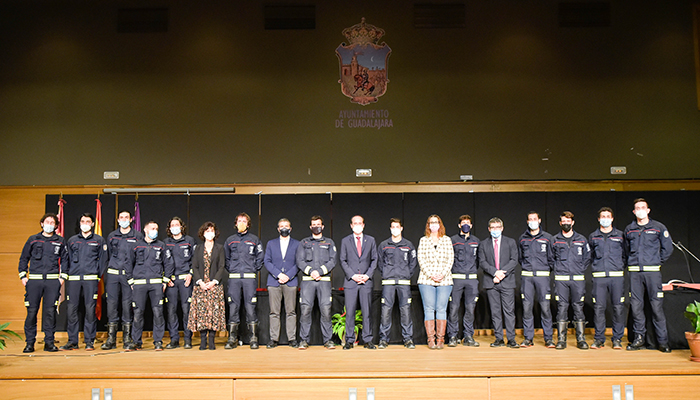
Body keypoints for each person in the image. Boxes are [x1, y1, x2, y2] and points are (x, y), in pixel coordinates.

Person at [624, 198, 673, 353]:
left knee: (656, 307)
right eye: (637, 208)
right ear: (634, 211)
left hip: (652, 273)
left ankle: (662, 341)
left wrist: (657, 262)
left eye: (643, 207)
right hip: (635, 273)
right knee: (636, 307)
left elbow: (667, 248)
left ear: (648, 210)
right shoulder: (629, 229)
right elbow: (626, 250)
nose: (640, 210)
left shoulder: (658, 227)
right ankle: (639, 339)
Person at [18, 213, 68, 353]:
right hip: (34, 281)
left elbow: (65, 260)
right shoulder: (33, 239)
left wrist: (62, 278)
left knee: (50, 313)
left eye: (52, 223)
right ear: (41, 223)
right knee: (31, 312)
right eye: (47, 222)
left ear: (56, 226)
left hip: (52, 281)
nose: (49, 225)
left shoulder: (60, 241)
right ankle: (29, 343)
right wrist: (23, 276)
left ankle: (49, 343)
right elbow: (24, 258)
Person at [60, 213, 108, 351]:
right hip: (74, 279)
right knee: (71, 310)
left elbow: (103, 260)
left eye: (88, 221)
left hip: (91, 279)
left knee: (90, 310)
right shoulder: (72, 240)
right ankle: (72, 341)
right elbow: (66, 259)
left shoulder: (99, 240)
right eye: (82, 221)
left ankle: (89, 341)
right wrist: (67, 273)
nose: (85, 223)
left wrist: (97, 276)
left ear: (92, 224)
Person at [125, 221, 174, 351]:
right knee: (138, 313)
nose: (155, 231)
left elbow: (169, 264)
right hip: (139, 284)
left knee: (158, 313)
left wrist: (165, 281)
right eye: (152, 228)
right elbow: (128, 263)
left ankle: (158, 341)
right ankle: (136, 341)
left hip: (156, 284)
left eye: (156, 228)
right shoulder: (136, 246)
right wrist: (130, 281)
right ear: (145, 230)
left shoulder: (161, 246)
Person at [103, 210, 143, 350]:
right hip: (113, 275)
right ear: (118, 220)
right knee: (111, 305)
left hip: (129, 276)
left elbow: (139, 256)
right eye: (121, 217)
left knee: (127, 306)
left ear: (131, 220)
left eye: (126, 217)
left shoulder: (137, 236)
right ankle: (111, 339)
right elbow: (107, 255)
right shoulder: (112, 236)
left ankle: (127, 338)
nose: (124, 219)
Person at [295, 215, 337, 350]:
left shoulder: (329, 242)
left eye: (318, 224)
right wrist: (311, 271)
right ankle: (304, 340)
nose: (316, 227)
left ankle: (328, 340)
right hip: (308, 281)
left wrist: (320, 271)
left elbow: (333, 260)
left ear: (323, 227)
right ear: (310, 227)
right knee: (305, 310)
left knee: (326, 310)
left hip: (324, 281)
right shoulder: (304, 243)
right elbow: (299, 260)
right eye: (313, 225)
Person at [224, 213, 264, 349]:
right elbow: (226, 259)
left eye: (244, 221)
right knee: (233, 307)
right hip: (234, 278)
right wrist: (232, 269)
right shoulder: (230, 240)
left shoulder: (254, 240)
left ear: (248, 224)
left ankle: (253, 338)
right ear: (235, 224)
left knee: (250, 307)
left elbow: (260, 257)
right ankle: (232, 338)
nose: (241, 223)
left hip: (249, 278)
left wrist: (253, 269)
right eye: (239, 221)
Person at [552, 211, 591, 350]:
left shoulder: (582, 239)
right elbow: (550, 258)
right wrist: (558, 269)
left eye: (568, 221)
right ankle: (561, 340)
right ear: (560, 223)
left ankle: (581, 339)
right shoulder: (554, 240)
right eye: (564, 221)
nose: (566, 224)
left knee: (578, 307)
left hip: (577, 279)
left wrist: (579, 269)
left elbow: (587, 257)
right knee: (562, 307)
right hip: (561, 279)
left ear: (573, 223)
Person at [589, 207, 627, 350]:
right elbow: (590, 256)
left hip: (616, 278)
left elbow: (626, 255)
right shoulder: (593, 236)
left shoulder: (620, 235)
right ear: (599, 219)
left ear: (612, 219)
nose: (605, 219)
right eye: (603, 216)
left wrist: (618, 266)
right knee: (599, 308)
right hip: (599, 278)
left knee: (618, 308)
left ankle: (617, 339)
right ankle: (599, 339)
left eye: (608, 216)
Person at [479, 217, 519, 349]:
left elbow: (514, 260)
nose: (495, 230)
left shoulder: (510, 242)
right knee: (495, 312)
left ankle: (511, 339)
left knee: (509, 311)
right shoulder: (483, 244)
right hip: (491, 282)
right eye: (493, 227)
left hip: (507, 281)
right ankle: (499, 338)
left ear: (502, 228)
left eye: (497, 227)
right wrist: (495, 272)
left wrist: (502, 274)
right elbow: (482, 262)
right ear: (489, 229)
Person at [377, 218, 417, 349]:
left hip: (404, 283)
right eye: (393, 227)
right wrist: (386, 274)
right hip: (388, 282)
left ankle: (408, 339)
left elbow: (413, 263)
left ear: (401, 228)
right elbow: (380, 263)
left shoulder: (408, 245)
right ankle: (383, 339)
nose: (395, 229)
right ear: (390, 229)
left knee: (405, 310)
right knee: (386, 310)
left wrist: (406, 274)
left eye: (397, 227)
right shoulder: (384, 245)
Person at [339, 215, 378, 349]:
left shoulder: (371, 240)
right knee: (350, 312)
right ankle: (349, 340)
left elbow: (374, 259)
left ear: (363, 225)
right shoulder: (345, 241)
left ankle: (367, 339)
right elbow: (342, 260)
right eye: (355, 223)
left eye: (359, 223)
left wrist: (367, 276)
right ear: (351, 226)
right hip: (351, 282)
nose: (357, 225)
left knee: (367, 312)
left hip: (366, 282)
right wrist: (352, 275)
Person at [517, 212, 555, 348]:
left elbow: (552, 258)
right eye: (530, 219)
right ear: (527, 222)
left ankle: (548, 338)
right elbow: (520, 258)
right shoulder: (522, 238)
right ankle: (528, 338)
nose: (533, 221)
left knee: (545, 308)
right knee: (527, 308)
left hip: (543, 277)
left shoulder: (548, 238)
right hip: (527, 277)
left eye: (535, 219)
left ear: (539, 220)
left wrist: (545, 270)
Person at [417, 214, 454, 350]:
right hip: (426, 279)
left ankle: (440, 339)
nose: (434, 224)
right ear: (428, 225)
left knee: (441, 309)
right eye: (431, 222)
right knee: (429, 309)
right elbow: (421, 259)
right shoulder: (423, 240)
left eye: (436, 222)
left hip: (445, 279)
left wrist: (442, 274)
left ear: (440, 224)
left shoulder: (447, 240)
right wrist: (431, 274)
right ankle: (431, 339)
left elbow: (450, 259)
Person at [188, 222, 227, 350]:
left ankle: (212, 340)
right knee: (202, 313)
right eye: (207, 231)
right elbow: (194, 266)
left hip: (214, 286)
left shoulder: (219, 248)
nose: (210, 233)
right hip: (201, 286)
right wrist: (200, 282)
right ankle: (203, 340)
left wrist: (214, 281)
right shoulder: (198, 248)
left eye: (212, 231)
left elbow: (221, 266)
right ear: (203, 233)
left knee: (213, 313)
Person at [263, 218, 300, 348]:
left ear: (290, 228)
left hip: (291, 281)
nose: (284, 228)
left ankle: (292, 339)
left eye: (286, 226)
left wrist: (288, 276)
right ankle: (273, 339)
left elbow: (299, 262)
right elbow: (267, 261)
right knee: (274, 312)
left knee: (291, 311)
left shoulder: (297, 244)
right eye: (282, 226)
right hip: (274, 281)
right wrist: (279, 274)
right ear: (278, 229)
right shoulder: (271, 243)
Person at [447, 215, 481, 347]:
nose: (465, 225)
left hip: (471, 280)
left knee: (470, 309)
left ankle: (468, 336)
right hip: (456, 279)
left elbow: (479, 260)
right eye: (463, 223)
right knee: (453, 308)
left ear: (471, 226)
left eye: (468, 223)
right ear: (459, 225)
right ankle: (453, 336)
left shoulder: (476, 241)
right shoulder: (452, 240)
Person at [163, 217, 196, 349]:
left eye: (177, 224)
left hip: (185, 281)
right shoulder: (165, 243)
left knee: (186, 310)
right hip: (171, 282)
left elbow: (195, 260)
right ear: (169, 228)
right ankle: (174, 339)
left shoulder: (189, 241)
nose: (175, 227)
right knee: (171, 311)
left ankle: (188, 339)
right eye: (172, 225)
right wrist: (166, 278)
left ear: (182, 226)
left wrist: (191, 274)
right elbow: (161, 262)